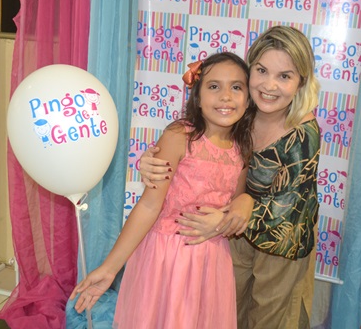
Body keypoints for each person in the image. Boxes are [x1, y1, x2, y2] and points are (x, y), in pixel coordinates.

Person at [140, 25, 321, 329]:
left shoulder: (303, 133)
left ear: (301, 82)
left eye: (284, 76)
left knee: (269, 319)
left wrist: (230, 213)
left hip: (281, 242)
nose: (270, 85)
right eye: (261, 71)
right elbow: (204, 154)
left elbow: (286, 211)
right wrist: (152, 162)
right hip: (234, 232)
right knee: (227, 312)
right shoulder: (241, 112)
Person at [70, 52, 255, 328]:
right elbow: (149, 205)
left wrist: (243, 203)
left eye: (236, 87)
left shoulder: (242, 149)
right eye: (214, 86)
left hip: (211, 263)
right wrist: (110, 269)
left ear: (248, 99)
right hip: (166, 260)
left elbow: (235, 206)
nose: (226, 96)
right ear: (198, 96)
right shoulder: (179, 136)